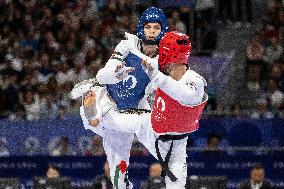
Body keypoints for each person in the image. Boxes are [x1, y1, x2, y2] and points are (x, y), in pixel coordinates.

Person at [76, 31, 207, 188]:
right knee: (113, 120)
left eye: (163, 50)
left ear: (170, 54)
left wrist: (157, 76)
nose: (160, 55)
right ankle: (93, 115)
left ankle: (96, 117)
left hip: (173, 144)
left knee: (176, 183)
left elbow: (185, 94)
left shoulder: (194, 80)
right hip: (152, 126)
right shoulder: (160, 74)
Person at [72, 7, 168, 189]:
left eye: (156, 27)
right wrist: (116, 73)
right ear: (142, 28)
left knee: (121, 172)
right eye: (149, 27)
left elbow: (161, 89)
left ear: (162, 30)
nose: (152, 31)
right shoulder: (127, 45)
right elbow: (102, 75)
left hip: (132, 112)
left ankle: (95, 118)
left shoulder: (162, 61)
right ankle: (93, 114)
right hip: (108, 100)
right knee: (118, 179)